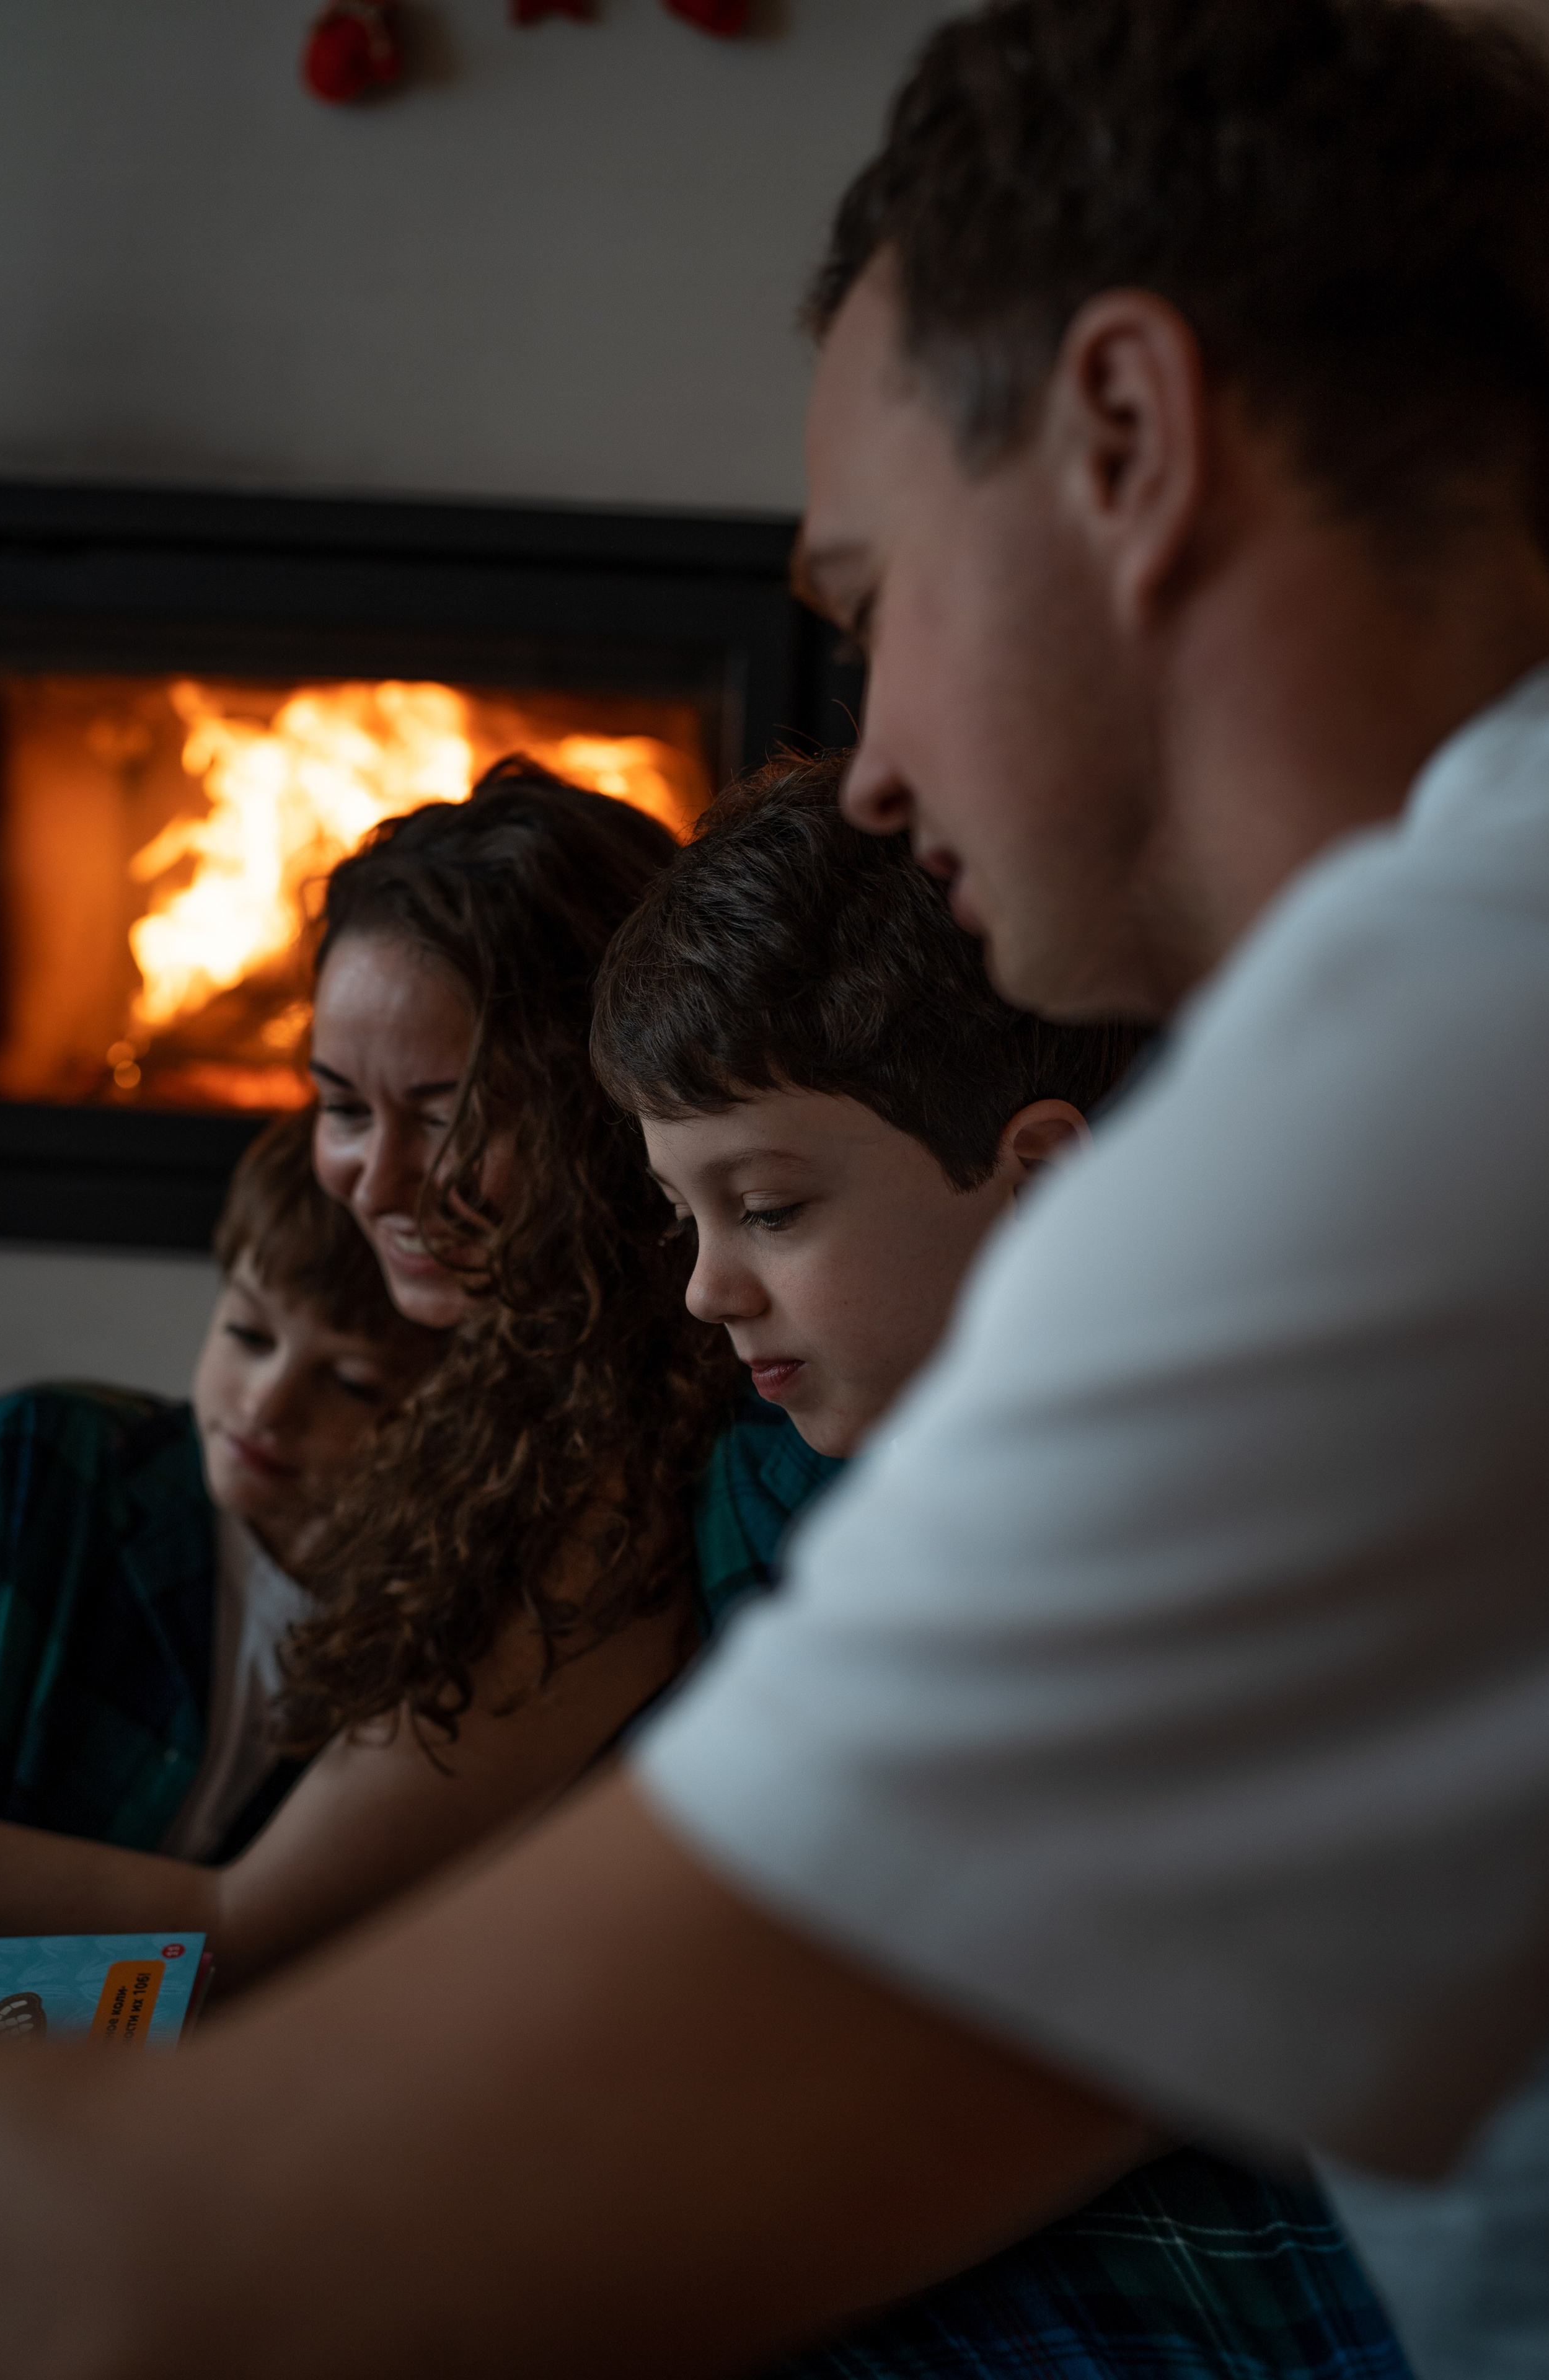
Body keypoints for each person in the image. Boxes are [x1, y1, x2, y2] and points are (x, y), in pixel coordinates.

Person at [0, 4, 1549, 2374]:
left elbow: (194, 2263)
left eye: (863, 613)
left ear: (1126, 442)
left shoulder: (1439, 1084)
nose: (857, 772)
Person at [593, 752, 1408, 2380]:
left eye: (766, 1207)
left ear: (1039, 1177)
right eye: (685, 1217)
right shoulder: (770, 1495)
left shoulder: (1240, 1489)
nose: (708, 1291)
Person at [0, 767, 736, 1989]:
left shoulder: (617, 1476)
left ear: (596, 1105)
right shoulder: (506, 1383)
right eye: (341, 1106)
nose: (377, 1183)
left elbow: (250, 1927)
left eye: (445, 1115)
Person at [0, 1109, 441, 1862]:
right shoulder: (44, 1462)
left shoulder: (430, 1621)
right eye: (248, 1335)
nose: (266, 1406)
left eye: (351, 1383)